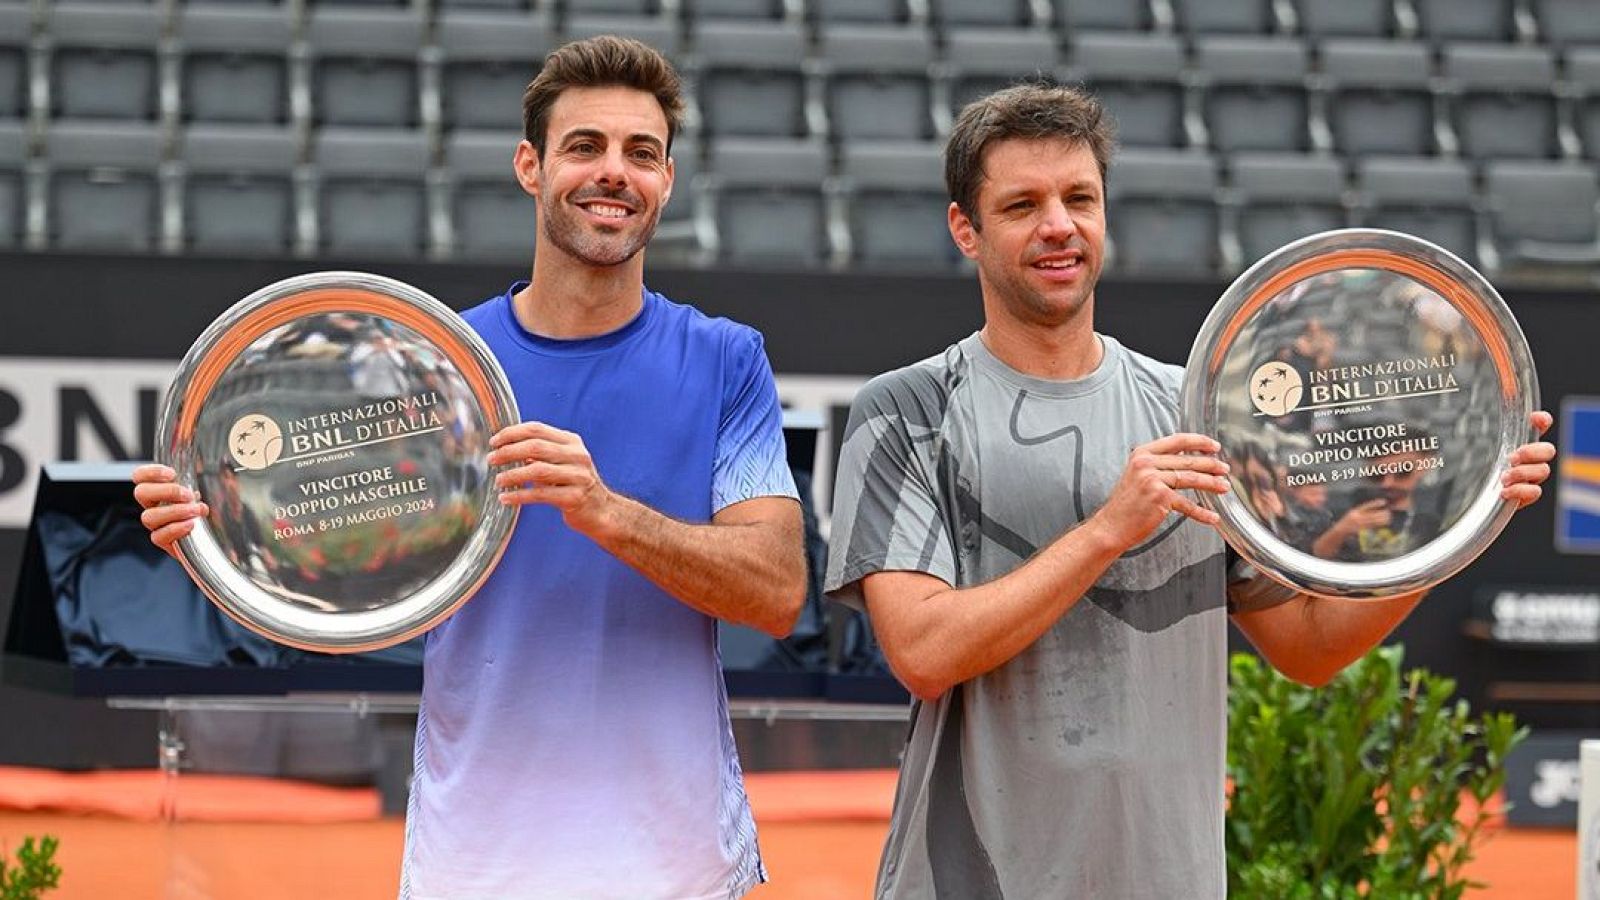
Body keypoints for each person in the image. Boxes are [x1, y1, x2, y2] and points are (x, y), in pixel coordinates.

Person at [822, 83, 1555, 898]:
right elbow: (922, 654)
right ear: (967, 228)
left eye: (1079, 198)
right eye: (1022, 205)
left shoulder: (1196, 410)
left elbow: (1308, 649)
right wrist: (1109, 528)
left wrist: (1453, 523)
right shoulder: (908, 409)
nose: (1058, 225)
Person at [133, 35, 807, 899]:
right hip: (477, 861)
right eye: (584, 147)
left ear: (667, 182)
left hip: (678, 863)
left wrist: (608, 512)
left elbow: (777, 589)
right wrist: (216, 531)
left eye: (642, 153)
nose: (615, 172)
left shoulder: (728, 360)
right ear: (530, 167)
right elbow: (342, 592)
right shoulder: (432, 364)